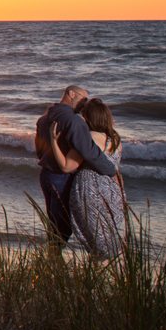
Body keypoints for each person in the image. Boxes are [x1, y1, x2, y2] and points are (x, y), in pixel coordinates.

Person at [33, 84, 116, 245]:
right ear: (71, 94)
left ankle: (52, 256)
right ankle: (54, 260)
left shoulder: (46, 117)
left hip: (46, 175)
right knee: (62, 226)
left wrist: (46, 158)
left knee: (54, 220)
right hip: (61, 177)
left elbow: (39, 145)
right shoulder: (73, 121)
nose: (85, 104)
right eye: (83, 99)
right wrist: (111, 169)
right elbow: (90, 152)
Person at [46, 98, 126, 257]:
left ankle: (91, 271)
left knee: (94, 236)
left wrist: (53, 141)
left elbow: (67, 166)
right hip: (112, 190)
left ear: (89, 118)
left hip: (89, 189)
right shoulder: (116, 139)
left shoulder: (88, 137)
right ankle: (102, 271)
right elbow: (115, 169)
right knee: (107, 232)